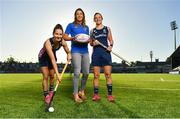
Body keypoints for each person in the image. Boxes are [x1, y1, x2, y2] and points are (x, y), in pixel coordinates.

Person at [38, 24, 71, 105]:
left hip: (52, 56)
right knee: (46, 76)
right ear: (53, 34)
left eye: (60, 34)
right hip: (43, 57)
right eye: (56, 34)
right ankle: (46, 95)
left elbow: (68, 51)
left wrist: (69, 54)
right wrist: (58, 74)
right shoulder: (48, 43)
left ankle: (51, 92)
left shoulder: (63, 41)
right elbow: (53, 60)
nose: (58, 36)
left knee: (52, 76)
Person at [63, 8, 90, 103]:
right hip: (75, 51)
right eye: (77, 14)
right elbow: (64, 36)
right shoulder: (71, 25)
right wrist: (72, 38)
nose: (79, 15)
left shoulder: (86, 27)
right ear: (75, 15)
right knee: (77, 73)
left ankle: (81, 91)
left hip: (85, 51)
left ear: (83, 16)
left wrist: (89, 40)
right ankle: (75, 94)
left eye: (81, 14)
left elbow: (88, 39)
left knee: (86, 73)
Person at [90, 12, 115, 102]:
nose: (98, 19)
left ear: (102, 18)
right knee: (96, 76)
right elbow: (90, 43)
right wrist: (94, 43)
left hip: (105, 53)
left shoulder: (107, 29)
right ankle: (96, 95)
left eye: (99, 17)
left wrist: (110, 46)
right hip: (96, 54)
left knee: (108, 75)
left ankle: (110, 95)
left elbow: (111, 41)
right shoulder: (92, 31)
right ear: (94, 20)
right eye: (96, 18)